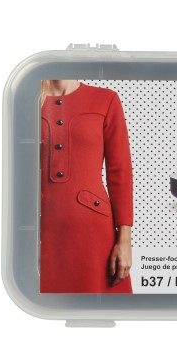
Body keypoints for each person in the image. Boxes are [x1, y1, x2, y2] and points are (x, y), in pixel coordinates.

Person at [40, 80, 133, 293]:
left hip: (95, 236)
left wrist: (125, 241)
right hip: (40, 231)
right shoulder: (23, 101)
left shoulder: (105, 99)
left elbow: (120, 173)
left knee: (101, 308)